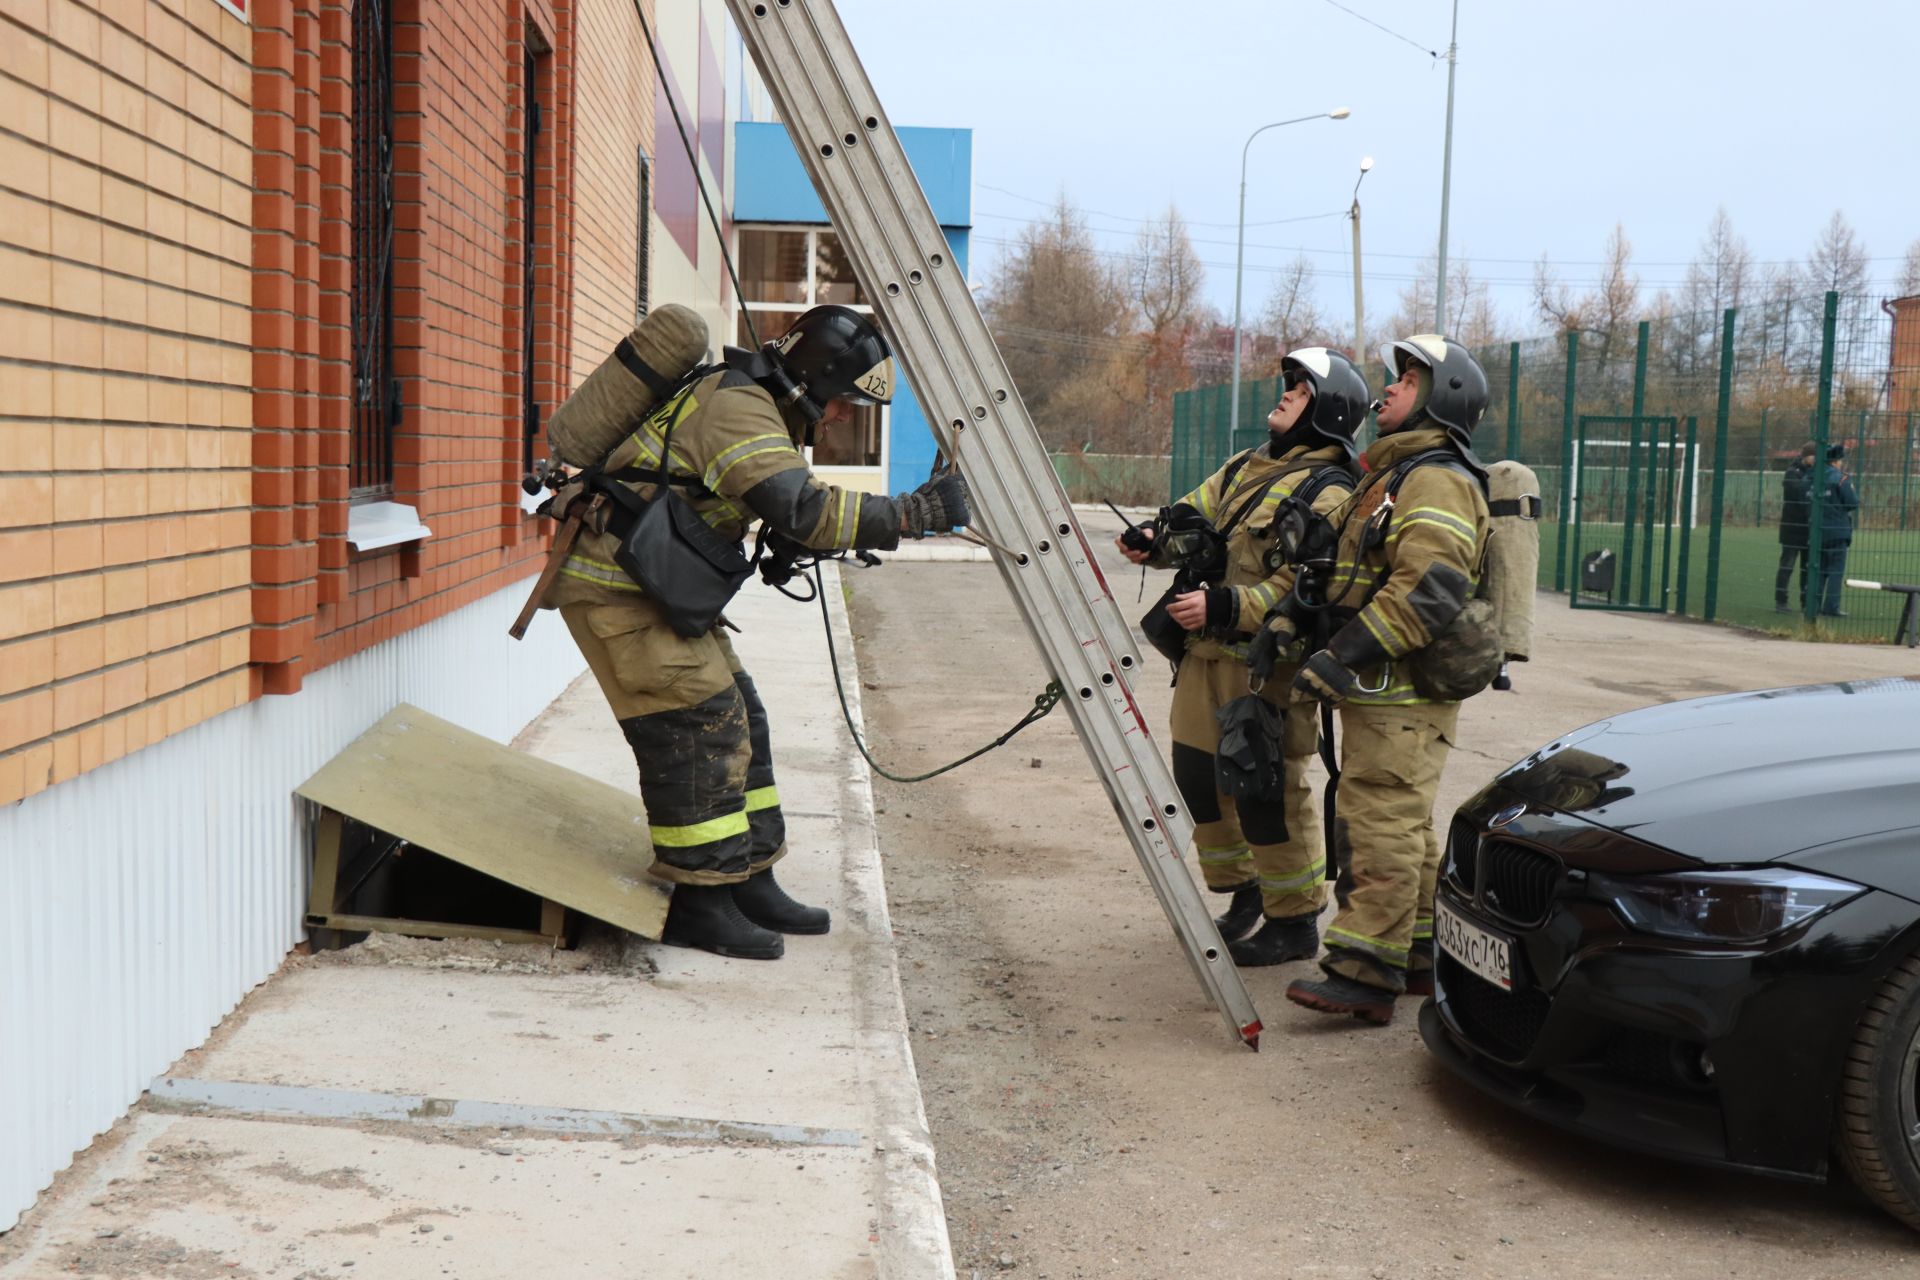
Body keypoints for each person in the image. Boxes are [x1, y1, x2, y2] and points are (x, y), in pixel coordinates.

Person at [542, 304, 968, 959]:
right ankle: (700, 900)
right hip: (615, 590)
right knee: (699, 727)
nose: (844, 417)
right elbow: (805, 509)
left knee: (746, 716)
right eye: (842, 402)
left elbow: (749, 495)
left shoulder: (754, 404)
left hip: (656, 586)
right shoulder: (741, 409)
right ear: (812, 382)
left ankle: (749, 878)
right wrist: (915, 512)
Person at [1116, 349, 1366, 966]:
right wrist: (1153, 539)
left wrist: (1229, 605)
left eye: (1301, 391)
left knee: (1265, 789)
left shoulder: (1333, 491)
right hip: (1203, 658)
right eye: (1289, 387)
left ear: (1327, 410)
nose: (1284, 396)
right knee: (1199, 780)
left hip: (1266, 666)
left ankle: (1296, 919)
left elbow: (1310, 584)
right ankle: (1246, 894)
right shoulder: (1244, 467)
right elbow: (1192, 517)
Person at [1282, 335, 1492, 1026]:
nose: (1389, 390)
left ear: (1443, 396)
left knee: (1380, 824)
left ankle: (1364, 970)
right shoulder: (1392, 477)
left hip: (1399, 692)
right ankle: (1419, 959)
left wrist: (1344, 656)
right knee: (1406, 826)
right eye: (1394, 378)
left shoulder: (1436, 478)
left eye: (1408, 378)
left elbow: (1429, 587)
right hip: (1383, 693)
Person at [1812, 443, 1860, 617]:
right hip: (1838, 531)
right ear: (1835, 461)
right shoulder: (1841, 479)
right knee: (1835, 571)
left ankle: (1813, 606)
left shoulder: (1811, 478)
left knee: (1818, 570)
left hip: (1817, 530)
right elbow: (1852, 503)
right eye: (1840, 460)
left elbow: (1804, 501)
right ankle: (1831, 608)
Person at [1774, 442, 1814, 613]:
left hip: (1809, 528)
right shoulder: (1792, 473)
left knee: (1807, 568)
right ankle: (1781, 601)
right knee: (1787, 566)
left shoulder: (1815, 473)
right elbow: (1800, 495)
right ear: (1806, 456)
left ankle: (1806, 603)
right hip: (1792, 528)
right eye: (1815, 456)